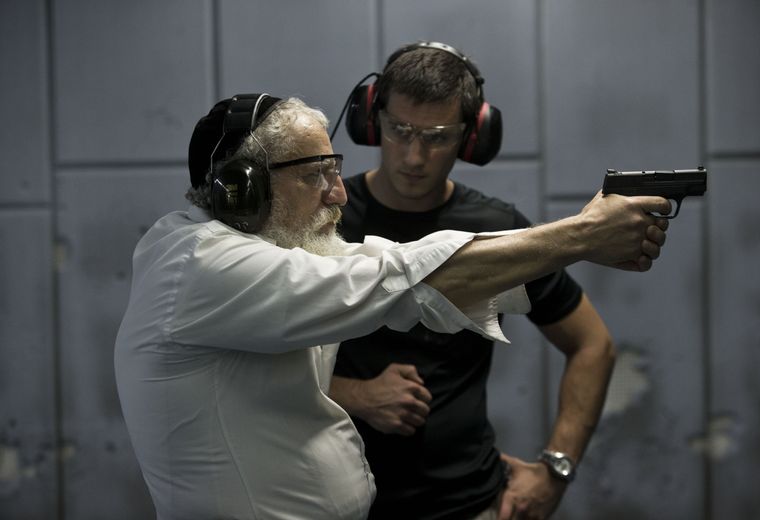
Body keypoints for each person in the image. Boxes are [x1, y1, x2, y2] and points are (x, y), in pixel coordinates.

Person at [114, 92, 669, 520]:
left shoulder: (280, 253)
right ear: (243, 188)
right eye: (317, 177)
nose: (339, 194)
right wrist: (582, 236)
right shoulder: (198, 264)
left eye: (335, 170)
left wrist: (576, 240)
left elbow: (400, 271)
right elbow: (395, 280)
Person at [329, 42, 623, 520]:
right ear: (371, 119)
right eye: (399, 130)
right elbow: (247, 361)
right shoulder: (322, 221)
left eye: (438, 137)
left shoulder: (496, 228)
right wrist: (354, 394)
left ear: (472, 137)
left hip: (468, 504)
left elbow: (593, 345)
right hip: (331, 504)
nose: (414, 156)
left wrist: (555, 471)